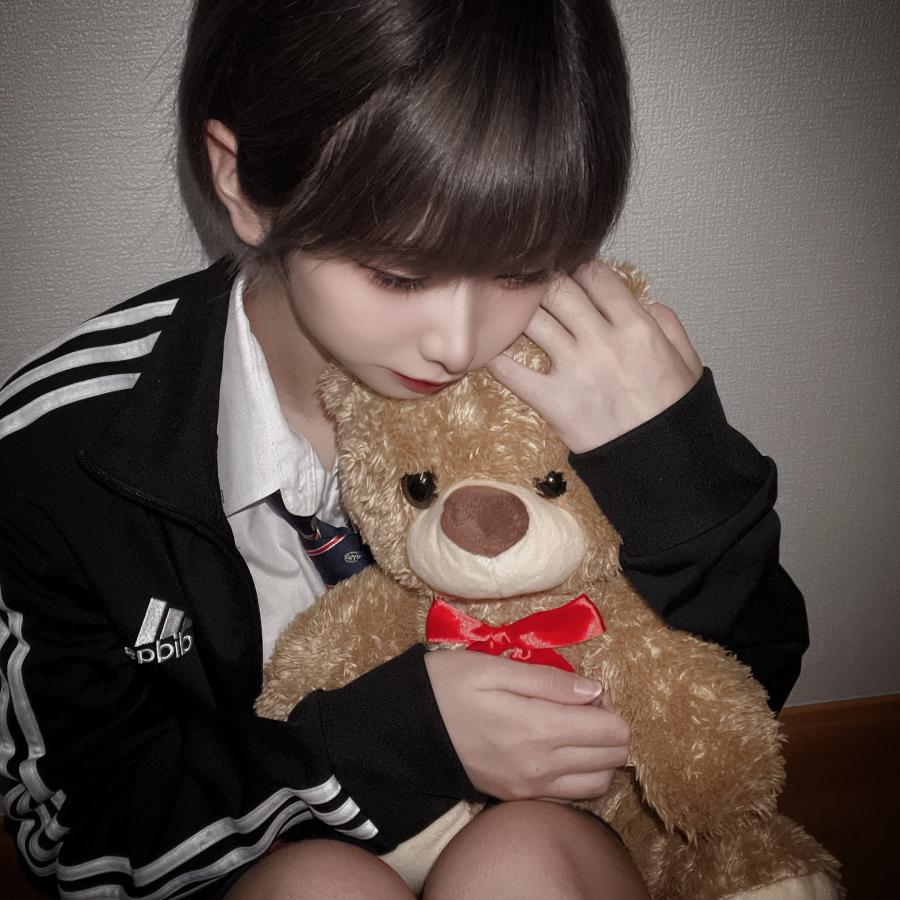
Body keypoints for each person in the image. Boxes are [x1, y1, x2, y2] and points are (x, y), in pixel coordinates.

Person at [0, 1, 808, 898]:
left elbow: (746, 693)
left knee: (522, 860)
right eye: (396, 273)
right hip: (261, 869)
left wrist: (673, 466)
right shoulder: (61, 454)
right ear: (240, 183)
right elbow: (81, 841)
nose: (458, 343)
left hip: (561, 850)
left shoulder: (576, 374)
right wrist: (393, 742)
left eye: (520, 267)